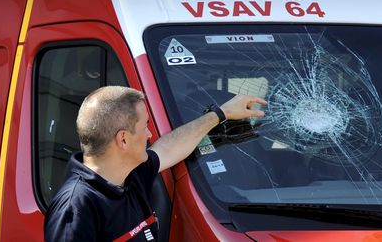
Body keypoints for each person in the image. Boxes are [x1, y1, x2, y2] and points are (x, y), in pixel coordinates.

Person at [44, 86, 266, 241]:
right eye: (145, 127)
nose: (150, 134)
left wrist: (220, 114)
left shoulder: (131, 175)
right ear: (123, 139)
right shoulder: (76, 207)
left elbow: (169, 148)